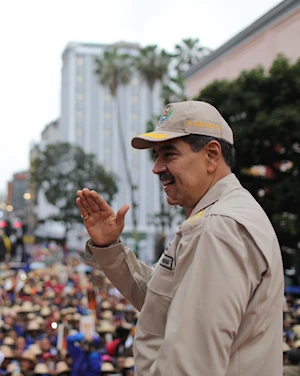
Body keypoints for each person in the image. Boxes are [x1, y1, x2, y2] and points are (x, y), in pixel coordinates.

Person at [76, 100, 284, 375]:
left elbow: (192, 364)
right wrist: (109, 247)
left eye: (169, 154)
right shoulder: (217, 216)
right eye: (157, 157)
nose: (157, 168)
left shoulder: (218, 227)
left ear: (211, 155)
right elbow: (161, 303)